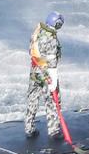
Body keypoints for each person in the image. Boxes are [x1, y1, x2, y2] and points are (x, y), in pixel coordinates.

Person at [25, 11, 64, 139]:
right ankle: (54, 131)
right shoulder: (51, 39)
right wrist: (53, 81)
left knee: (32, 99)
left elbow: (31, 51)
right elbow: (52, 63)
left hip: (35, 71)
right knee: (52, 101)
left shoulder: (37, 31)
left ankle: (29, 128)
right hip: (47, 74)